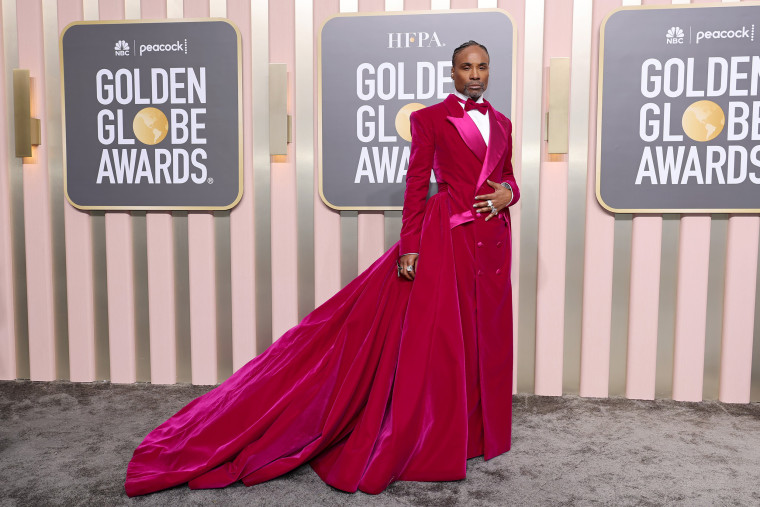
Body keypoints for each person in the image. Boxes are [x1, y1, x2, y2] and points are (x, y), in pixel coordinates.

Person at [124, 40, 519, 497]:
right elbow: (416, 183)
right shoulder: (429, 118)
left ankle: (480, 432)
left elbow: (506, 176)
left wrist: (510, 192)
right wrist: (409, 246)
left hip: (493, 242)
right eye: (466, 67)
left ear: (490, 72)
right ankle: (440, 435)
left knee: (483, 335)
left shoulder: (504, 123)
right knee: (443, 342)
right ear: (451, 73)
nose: (475, 74)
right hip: (446, 237)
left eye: (482, 67)